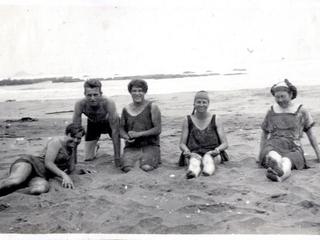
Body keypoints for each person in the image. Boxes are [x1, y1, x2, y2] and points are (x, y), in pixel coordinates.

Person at [0, 123, 87, 197]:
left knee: (40, 189)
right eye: (73, 136)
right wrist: (64, 175)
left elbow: (71, 169)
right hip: (30, 164)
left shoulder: (72, 147)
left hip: (40, 175)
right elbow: (48, 163)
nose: (75, 140)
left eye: (79, 138)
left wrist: (81, 171)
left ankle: (12, 193)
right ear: (67, 134)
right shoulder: (56, 142)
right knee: (15, 180)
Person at [259, 79, 320, 182]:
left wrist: (318, 153)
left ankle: (279, 175)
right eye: (277, 97)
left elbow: (311, 134)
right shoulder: (271, 111)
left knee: (287, 161)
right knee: (274, 156)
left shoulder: (301, 111)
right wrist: (260, 153)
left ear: (291, 94)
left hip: (293, 146)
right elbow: (264, 134)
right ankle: (277, 168)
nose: (280, 100)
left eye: (283, 96)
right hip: (273, 144)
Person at [179, 90, 229, 179]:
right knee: (194, 161)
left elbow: (225, 144)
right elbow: (182, 144)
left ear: (208, 104)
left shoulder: (216, 119)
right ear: (194, 104)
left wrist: (217, 150)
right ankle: (193, 172)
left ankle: (207, 170)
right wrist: (187, 151)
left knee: (208, 159)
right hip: (193, 153)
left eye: (204, 102)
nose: (201, 105)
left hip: (212, 153)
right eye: (198, 102)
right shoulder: (187, 120)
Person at [73, 79, 121, 167]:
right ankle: (96, 146)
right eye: (89, 95)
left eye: (95, 95)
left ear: (101, 93)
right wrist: (73, 161)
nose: (92, 98)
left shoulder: (108, 102)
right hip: (93, 125)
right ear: (84, 94)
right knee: (88, 157)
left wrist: (117, 158)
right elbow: (75, 131)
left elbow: (115, 130)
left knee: (122, 153)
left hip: (109, 124)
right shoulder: (80, 104)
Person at [120, 79, 161, 173]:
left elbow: (158, 129)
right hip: (132, 146)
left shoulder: (152, 107)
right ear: (130, 92)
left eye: (140, 90)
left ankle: (152, 157)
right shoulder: (126, 109)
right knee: (127, 169)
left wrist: (139, 134)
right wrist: (126, 137)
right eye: (134, 91)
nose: (137, 93)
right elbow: (121, 129)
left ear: (145, 92)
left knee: (146, 167)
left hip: (151, 144)